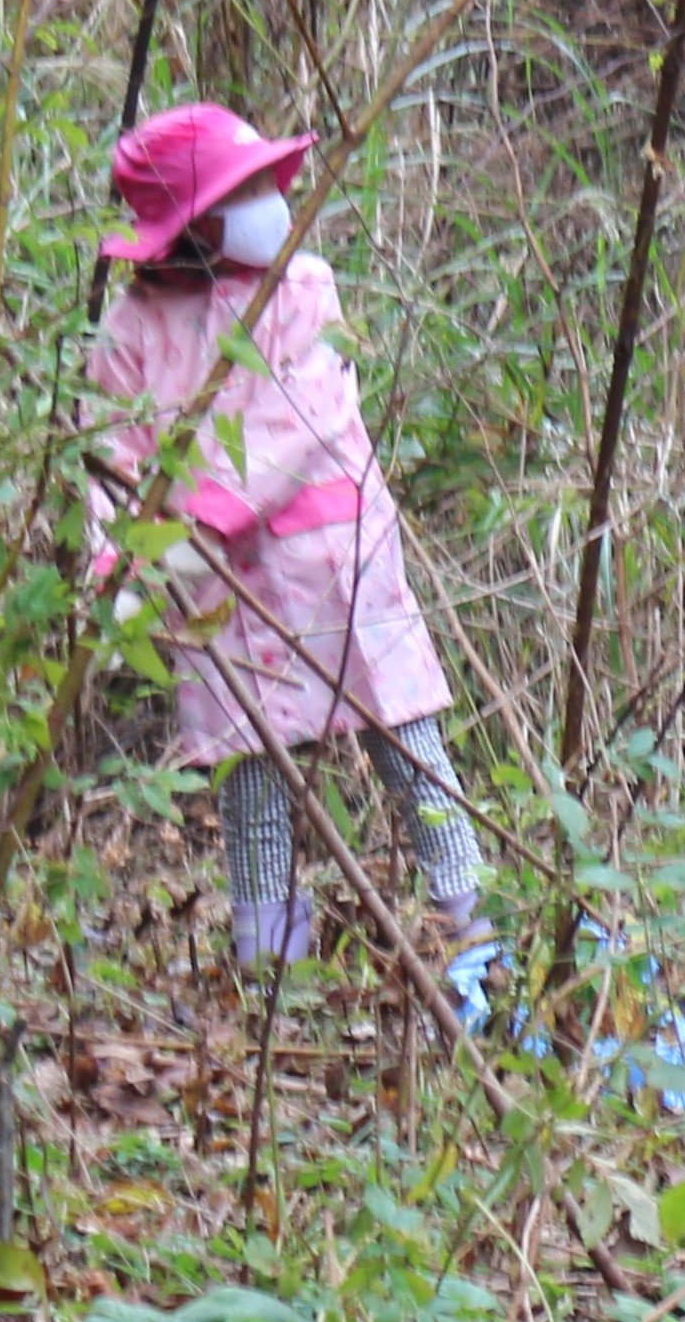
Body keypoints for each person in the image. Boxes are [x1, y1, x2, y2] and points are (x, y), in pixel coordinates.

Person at [89, 104, 491, 967]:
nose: (270, 200)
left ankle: (477, 936)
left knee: (407, 740)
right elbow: (111, 458)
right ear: (192, 219)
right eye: (240, 191)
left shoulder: (303, 290)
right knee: (252, 774)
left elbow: (297, 420)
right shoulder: (132, 331)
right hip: (214, 599)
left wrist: (189, 533)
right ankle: (271, 963)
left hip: (337, 565)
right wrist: (117, 568)